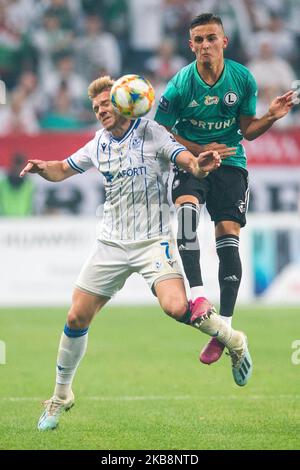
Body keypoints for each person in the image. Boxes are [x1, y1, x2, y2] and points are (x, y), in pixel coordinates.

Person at [20, 75, 253, 432]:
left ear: (124, 102)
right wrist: (42, 168)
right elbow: (63, 169)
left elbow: (184, 158)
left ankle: (234, 339)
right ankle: (61, 395)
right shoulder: (97, 144)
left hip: (152, 241)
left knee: (177, 308)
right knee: (76, 317)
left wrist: (198, 164)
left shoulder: (152, 133)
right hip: (111, 244)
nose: (100, 111)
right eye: (95, 107)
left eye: (106, 104)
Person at [154, 13, 295, 365]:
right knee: (186, 219)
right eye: (198, 40)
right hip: (192, 161)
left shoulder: (242, 79)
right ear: (191, 46)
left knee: (227, 237)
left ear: (224, 41)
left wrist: (272, 116)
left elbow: (248, 130)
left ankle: (225, 329)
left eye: (211, 38)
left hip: (231, 164)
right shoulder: (181, 85)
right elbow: (160, 132)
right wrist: (198, 151)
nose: (205, 45)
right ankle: (199, 297)